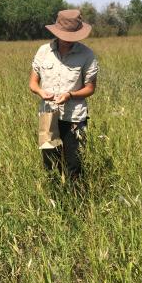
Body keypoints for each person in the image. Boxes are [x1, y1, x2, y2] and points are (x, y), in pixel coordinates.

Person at [29, 9, 99, 181]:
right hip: (48, 116)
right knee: (50, 165)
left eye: (72, 36)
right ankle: (55, 202)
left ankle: (76, 204)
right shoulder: (43, 51)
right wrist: (40, 92)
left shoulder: (87, 55)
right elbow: (32, 83)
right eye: (64, 36)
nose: (68, 40)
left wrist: (70, 95)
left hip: (75, 118)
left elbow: (90, 88)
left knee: (75, 165)